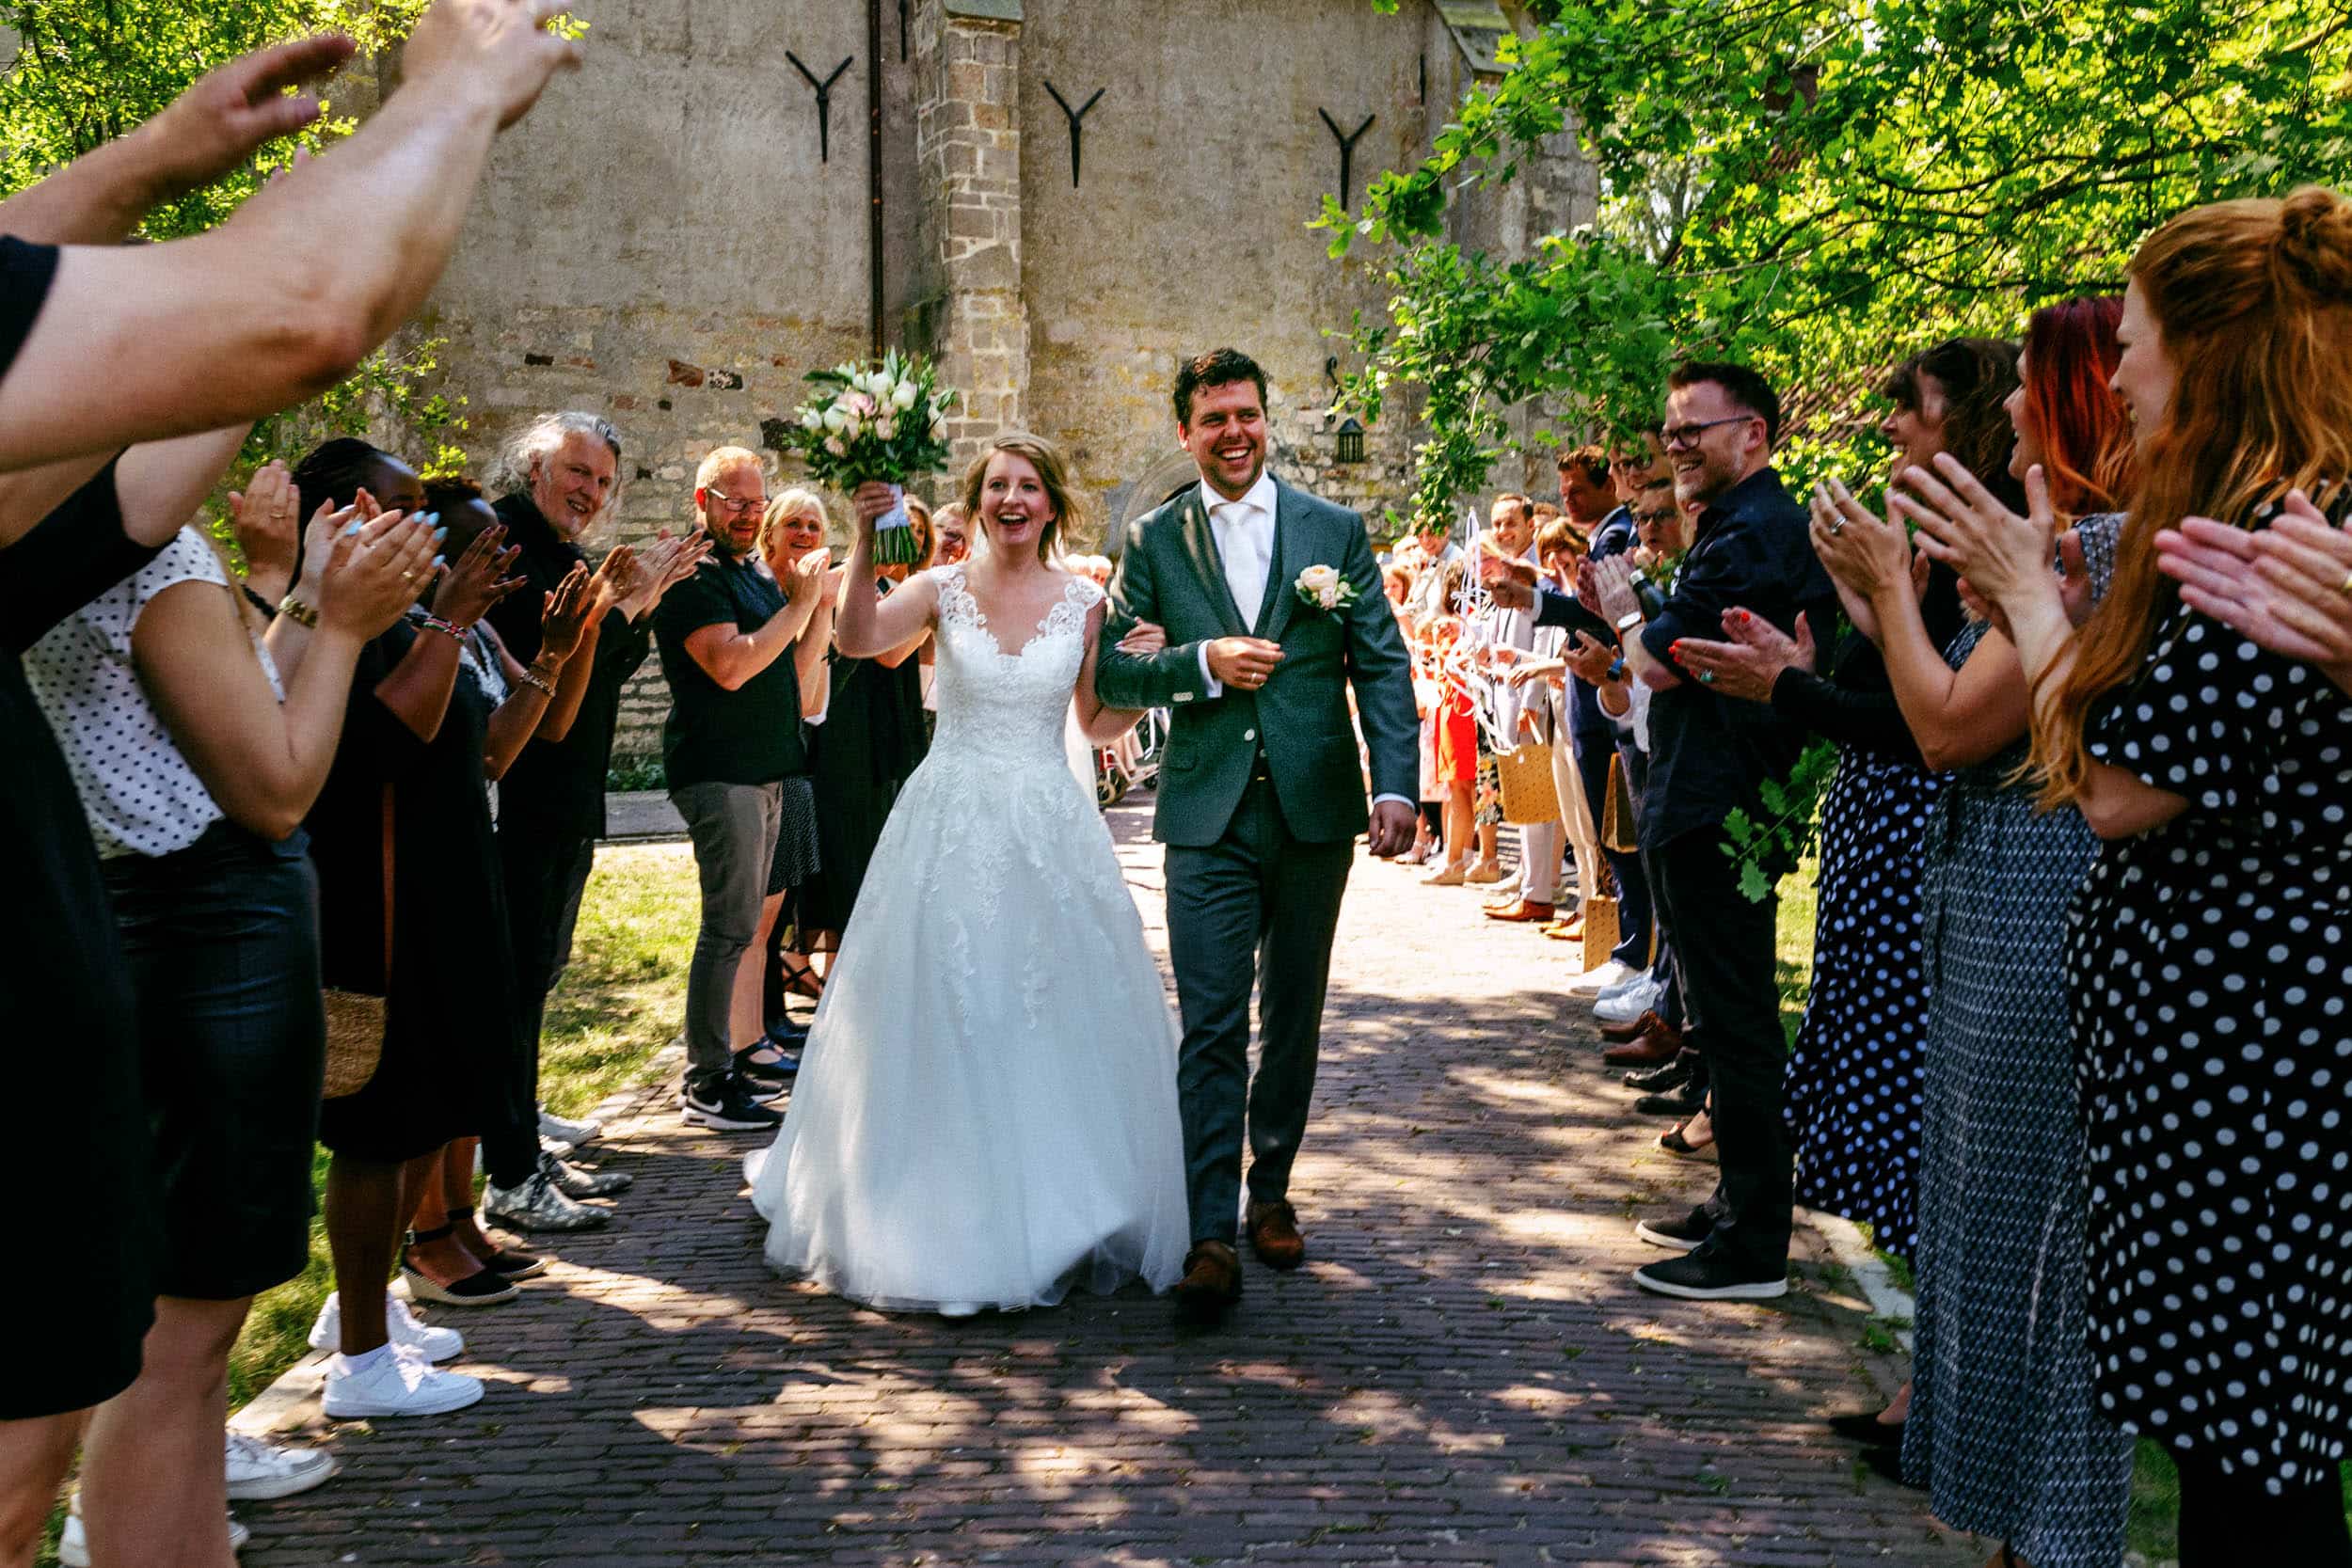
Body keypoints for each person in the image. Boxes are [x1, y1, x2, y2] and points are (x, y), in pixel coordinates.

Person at [0, 11, 580, 1555]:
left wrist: (156, 161)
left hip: (116, 978)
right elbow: (291, 321)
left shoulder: (100, 521)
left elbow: (203, 376)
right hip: (199, 936)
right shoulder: (118, 556)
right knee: (131, 1385)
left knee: (113, 1387)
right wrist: (457, 83)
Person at [1906, 189, 2352, 1566]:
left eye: (2143, 337)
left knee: (2252, 1477)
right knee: (2232, 1465)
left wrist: (2032, 602)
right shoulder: (2253, 516)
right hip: (2206, 1081)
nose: (2127, 373)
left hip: (2253, 1088)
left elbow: (2113, 789)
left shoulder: (2277, 532)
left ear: (2212, 350)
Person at [746, 434, 1187, 1313]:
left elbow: (1098, 725)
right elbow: (860, 638)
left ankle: (1063, 1198)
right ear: (978, 501)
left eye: (1028, 486)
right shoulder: (943, 589)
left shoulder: (1086, 602)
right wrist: (871, 536)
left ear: (1052, 505)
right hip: (947, 818)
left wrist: (1148, 669)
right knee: (948, 1000)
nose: (1012, 499)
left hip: (1048, 826)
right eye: (997, 487)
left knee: (1047, 1008)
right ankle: (934, 1206)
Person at [1092, 348, 1421, 1323]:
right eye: (1212, 419)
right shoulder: (1154, 539)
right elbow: (1112, 672)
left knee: (1294, 1012)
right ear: (1185, 432)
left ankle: (1269, 1188)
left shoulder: (1335, 530)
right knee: (1210, 1019)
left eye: (1246, 414)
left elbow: (1384, 664)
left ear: (1264, 420)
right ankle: (1206, 1230)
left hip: (1314, 808)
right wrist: (1199, 660)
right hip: (1205, 814)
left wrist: (1397, 782)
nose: (1232, 432)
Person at [1497, 361, 1837, 1301]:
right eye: (1671, 429)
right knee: (1722, 1022)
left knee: (1734, 1021)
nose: (1677, 446)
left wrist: (1628, 614)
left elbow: (1649, 660)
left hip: (1724, 801)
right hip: (1702, 792)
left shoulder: (1754, 533)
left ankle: (1754, 1237)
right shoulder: (1734, 525)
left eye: (1696, 429)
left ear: (1755, 435)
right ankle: (1736, 1202)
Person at [1671, 338, 2012, 1271]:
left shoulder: (2000, 542)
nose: (1893, 421)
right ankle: (1918, 1343)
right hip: (1884, 840)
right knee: (1885, 1084)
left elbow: (1925, 722)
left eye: (1915, 404)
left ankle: (1899, 1332)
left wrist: (1787, 683)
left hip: (1930, 847)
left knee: (1917, 1095)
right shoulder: (1936, 548)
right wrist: (1862, 621)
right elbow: (1896, 684)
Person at [485, 412, 707, 1180]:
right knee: (512, 972)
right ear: (534, 467)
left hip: (567, 789)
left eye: (604, 482)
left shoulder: (562, 551)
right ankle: (505, 1137)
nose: (591, 492)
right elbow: (541, 669)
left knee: (539, 967)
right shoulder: (509, 544)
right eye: (579, 473)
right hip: (524, 790)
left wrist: (633, 605)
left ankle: (520, 1104)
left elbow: (597, 671)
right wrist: (618, 608)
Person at [655, 449, 834, 1133]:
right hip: (719, 771)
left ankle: (735, 1053)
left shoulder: (751, 573)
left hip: (768, 769)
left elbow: (793, 666)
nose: (748, 513)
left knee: (746, 928)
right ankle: (706, 1078)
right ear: (703, 501)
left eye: (756, 502)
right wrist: (801, 603)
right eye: (734, 501)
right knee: (727, 927)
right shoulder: (695, 578)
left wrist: (810, 607)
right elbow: (732, 665)